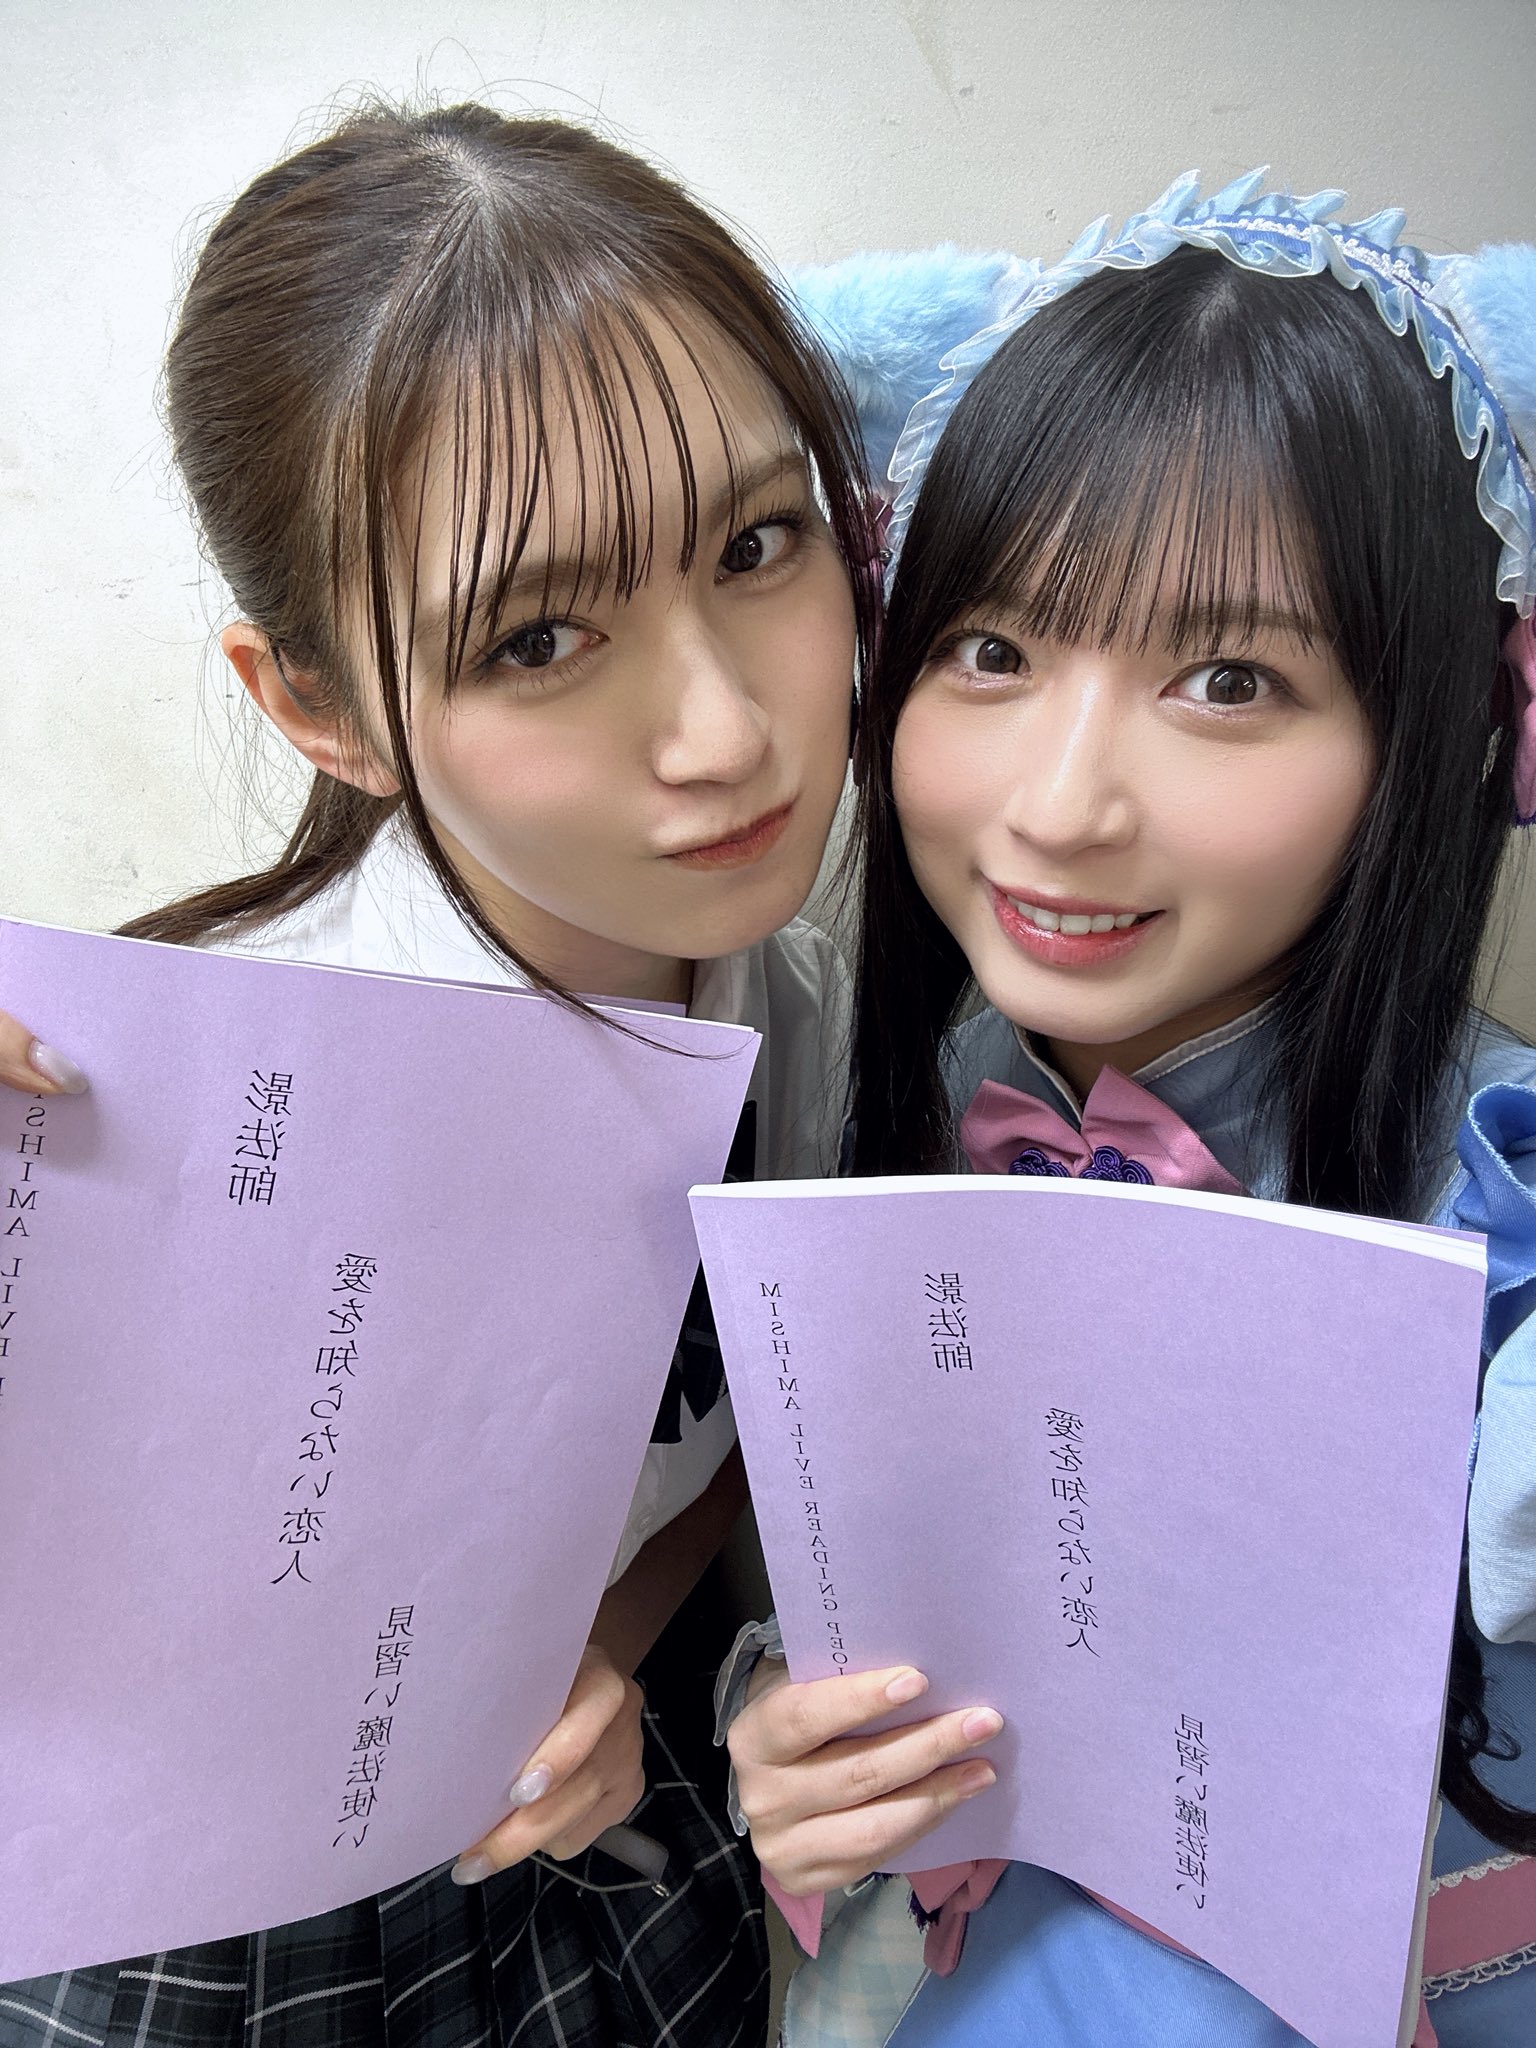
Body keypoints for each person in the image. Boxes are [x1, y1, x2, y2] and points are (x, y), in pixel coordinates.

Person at [0, 98, 979, 2048]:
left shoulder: (807, 976)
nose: (726, 733)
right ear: (320, 705)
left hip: (618, 1851)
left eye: (758, 542)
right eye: (539, 637)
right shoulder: (158, 1122)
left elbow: (714, 1426)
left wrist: (585, 1649)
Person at [725, 179, 1536, 2046]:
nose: (1061, 803)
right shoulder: (880, 1091)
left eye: (1228, 679)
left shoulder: (1498, 1190)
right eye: (992, 651)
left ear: (1449, 729)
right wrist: (795, 1733)